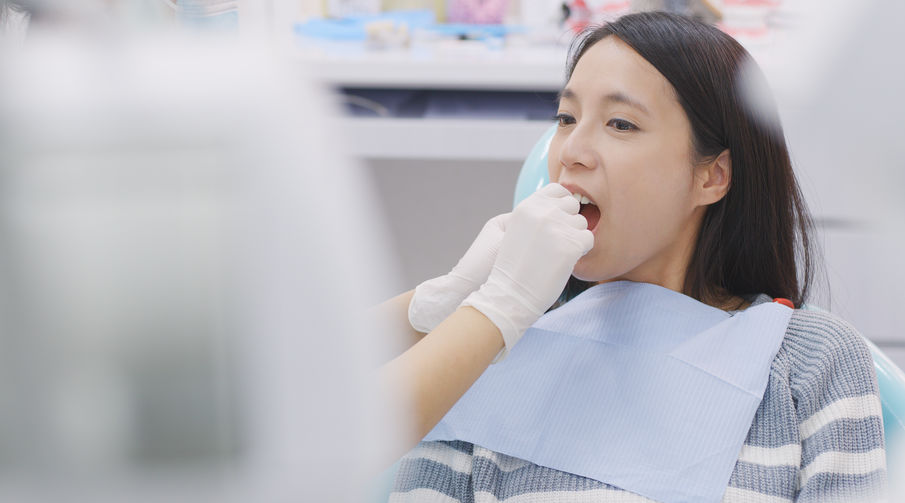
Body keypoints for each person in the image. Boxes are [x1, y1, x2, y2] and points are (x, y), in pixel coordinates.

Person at [378, 11, 887, 502]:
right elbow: (325, 425)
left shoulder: (813, 362)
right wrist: (460, 307)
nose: (572, 150)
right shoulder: (491, 342)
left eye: (620, 124)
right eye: (565, 117)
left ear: (712, 176)